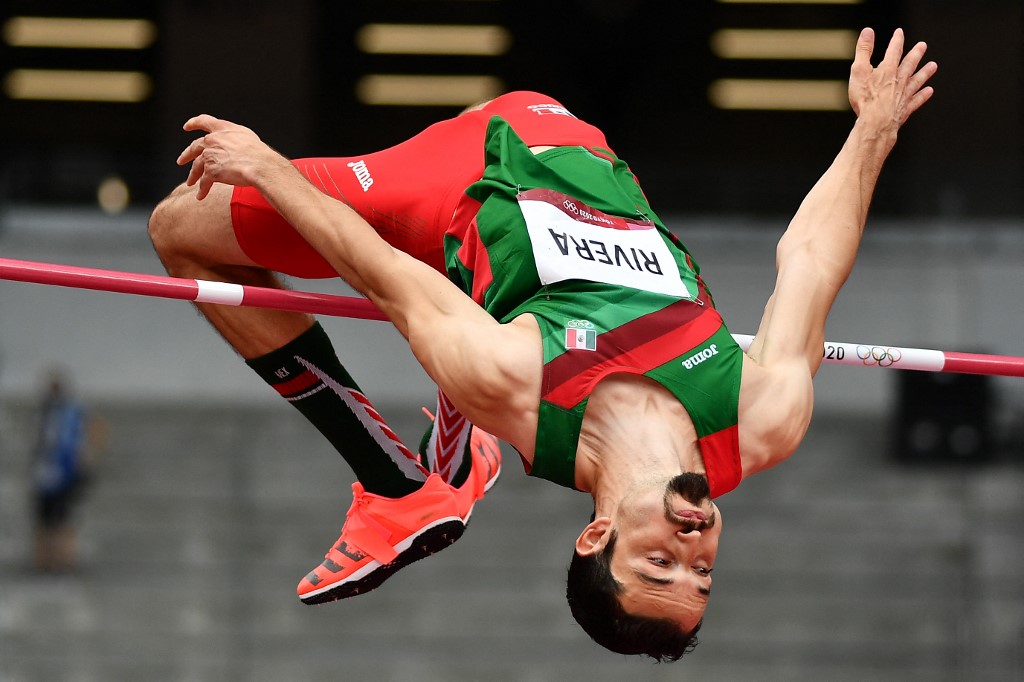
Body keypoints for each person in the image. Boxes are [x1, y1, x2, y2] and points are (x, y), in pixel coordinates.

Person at [149, 27, 936, 660]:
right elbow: (809, 261)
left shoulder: (516, 384)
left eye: (657, 561)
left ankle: (397, 476)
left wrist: (269, 168)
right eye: (700, 576)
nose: (691, 550)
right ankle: (439, 464)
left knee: (180, 230)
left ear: (597, 535)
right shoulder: (760, 418)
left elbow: (378, 268)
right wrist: (872, 129)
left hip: (437, 192)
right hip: (571, 146)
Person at [30, 369, 106, 572]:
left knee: (63, 520)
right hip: (44, 475)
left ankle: (64, 562)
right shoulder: (45, 411)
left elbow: (97, 429)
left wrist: (89, 456)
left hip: (65, 475)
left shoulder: (74, 410)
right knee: (44, 521)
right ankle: (45, 563)